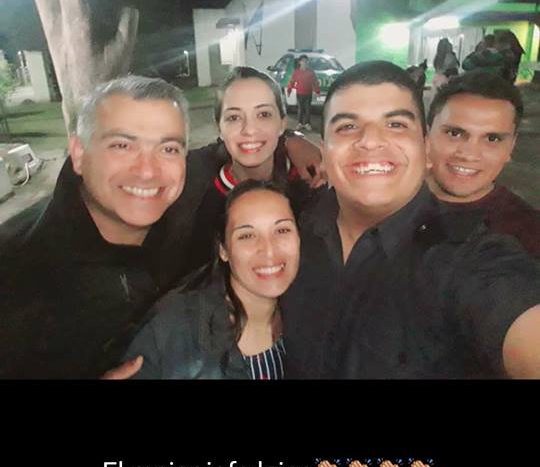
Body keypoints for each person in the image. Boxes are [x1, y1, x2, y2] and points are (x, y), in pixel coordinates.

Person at [0, 76, 322, 379]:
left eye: (168, 148)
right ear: (79, 154)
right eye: (122, 145)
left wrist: (289, 140)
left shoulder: (181, 195)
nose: (147, 171)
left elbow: (240, 143)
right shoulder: (18, 276)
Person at [282, 61, 540, 380]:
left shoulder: (465, 256)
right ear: (324, 149)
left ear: (426, 147)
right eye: (347, 126)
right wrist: (288, 137)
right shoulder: (295, 223)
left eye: (396, 124)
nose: (370, 141)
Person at [124, 180, 300, 379]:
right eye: (247, 236)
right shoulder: (173, 331)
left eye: (282, 230)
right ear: (223, 250)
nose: (268, 250)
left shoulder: (314, 314)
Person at [184, 66, 315, 275]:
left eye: (263, 114)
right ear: (219, 128)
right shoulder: (204, 200)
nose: (249, 130)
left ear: (282, 124)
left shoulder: (311, 182)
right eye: (234, 118)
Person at [426, 71, 540, 255]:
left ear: (511, 147)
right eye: (454, 133)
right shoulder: (384, 203)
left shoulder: (529, 235)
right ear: (427, 135)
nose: (469, 155)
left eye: (492, 139)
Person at [287, 55, 320, 131]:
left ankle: (307, 124)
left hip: (308, 94)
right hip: (299, 94)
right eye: (303, 61)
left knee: (308, 109)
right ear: (300, 62)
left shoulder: (311, 72)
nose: (305, 62)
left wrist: (317, 91)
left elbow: (315, 82)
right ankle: (300, 123)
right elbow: (291, 82)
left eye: (306, 61)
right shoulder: (296, 72)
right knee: (300, 109)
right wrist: (289, 91)